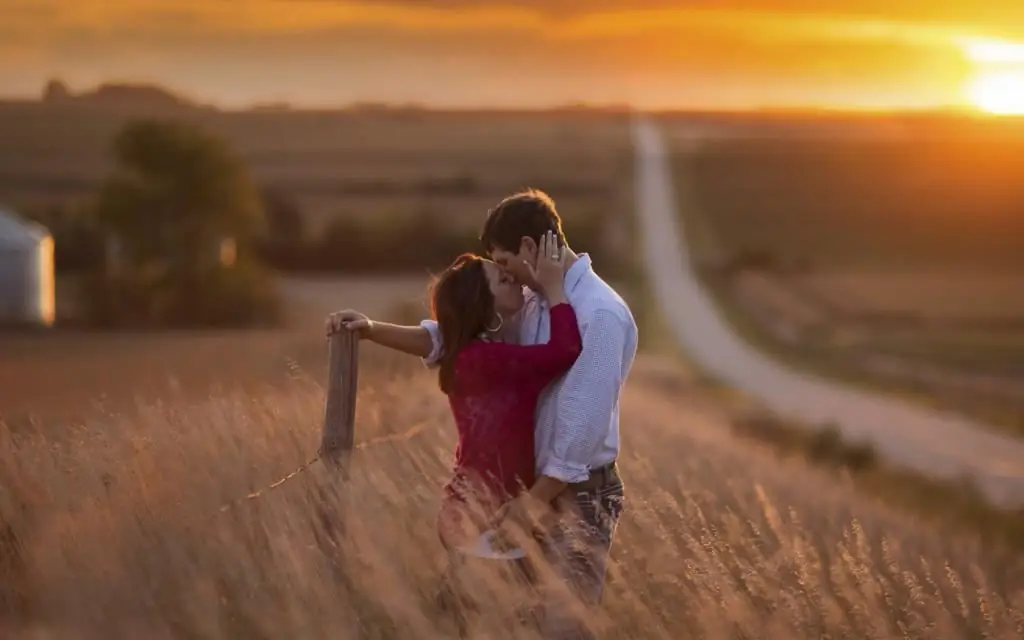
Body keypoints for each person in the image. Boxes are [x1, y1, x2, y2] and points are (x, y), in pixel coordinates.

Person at [327, 189, 638, 639]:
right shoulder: (533, 299)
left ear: (530, 249)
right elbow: (462, 339)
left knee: (563, 630)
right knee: (511, 625)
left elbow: (580, 427)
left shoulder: (600, 313)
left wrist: (532, 505)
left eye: (506, 263)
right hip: (524, 496)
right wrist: (372, 329)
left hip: (574, 497)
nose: (506, 275)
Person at [327, 232, 580, 550]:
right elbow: (565, 349)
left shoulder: (476, 352)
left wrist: (373, 329)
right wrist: (555, 288)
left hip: (480, 508)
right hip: (478, 512)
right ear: (483, 306)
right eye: (504, 281)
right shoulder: (486, 359)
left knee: (484, 596)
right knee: (491, 597)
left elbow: (435, 339)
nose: (516, 283)